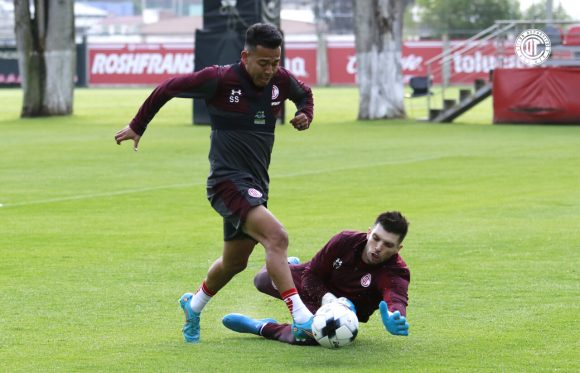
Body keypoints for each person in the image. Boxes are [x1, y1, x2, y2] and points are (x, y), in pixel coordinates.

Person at [114, 23, 315, 343]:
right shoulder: (219, 79)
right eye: (263, 63)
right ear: (245, 56)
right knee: (277, 237)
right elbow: (168, 87)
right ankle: (302, 317)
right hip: (226, 183)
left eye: (276, 62)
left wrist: (305, 113)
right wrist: (139, 125)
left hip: (256, 185)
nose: (270, 70)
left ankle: (193, 306)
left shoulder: (280, 80)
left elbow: (305, 94)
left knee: (235, 262)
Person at [222, 211, 411, 345]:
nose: (378, 247)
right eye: (376, 238)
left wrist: (397, 315)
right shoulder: (344, 240)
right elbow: (311, 275)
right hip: (316, 284)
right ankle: (287, 265)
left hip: (342, 314)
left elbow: (396, 297)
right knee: (262, 281)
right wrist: (327, 298)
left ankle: (261, 327)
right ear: (369, 232)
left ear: (398, 249)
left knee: (308, 334)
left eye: (387, 244)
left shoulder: (396, 272)